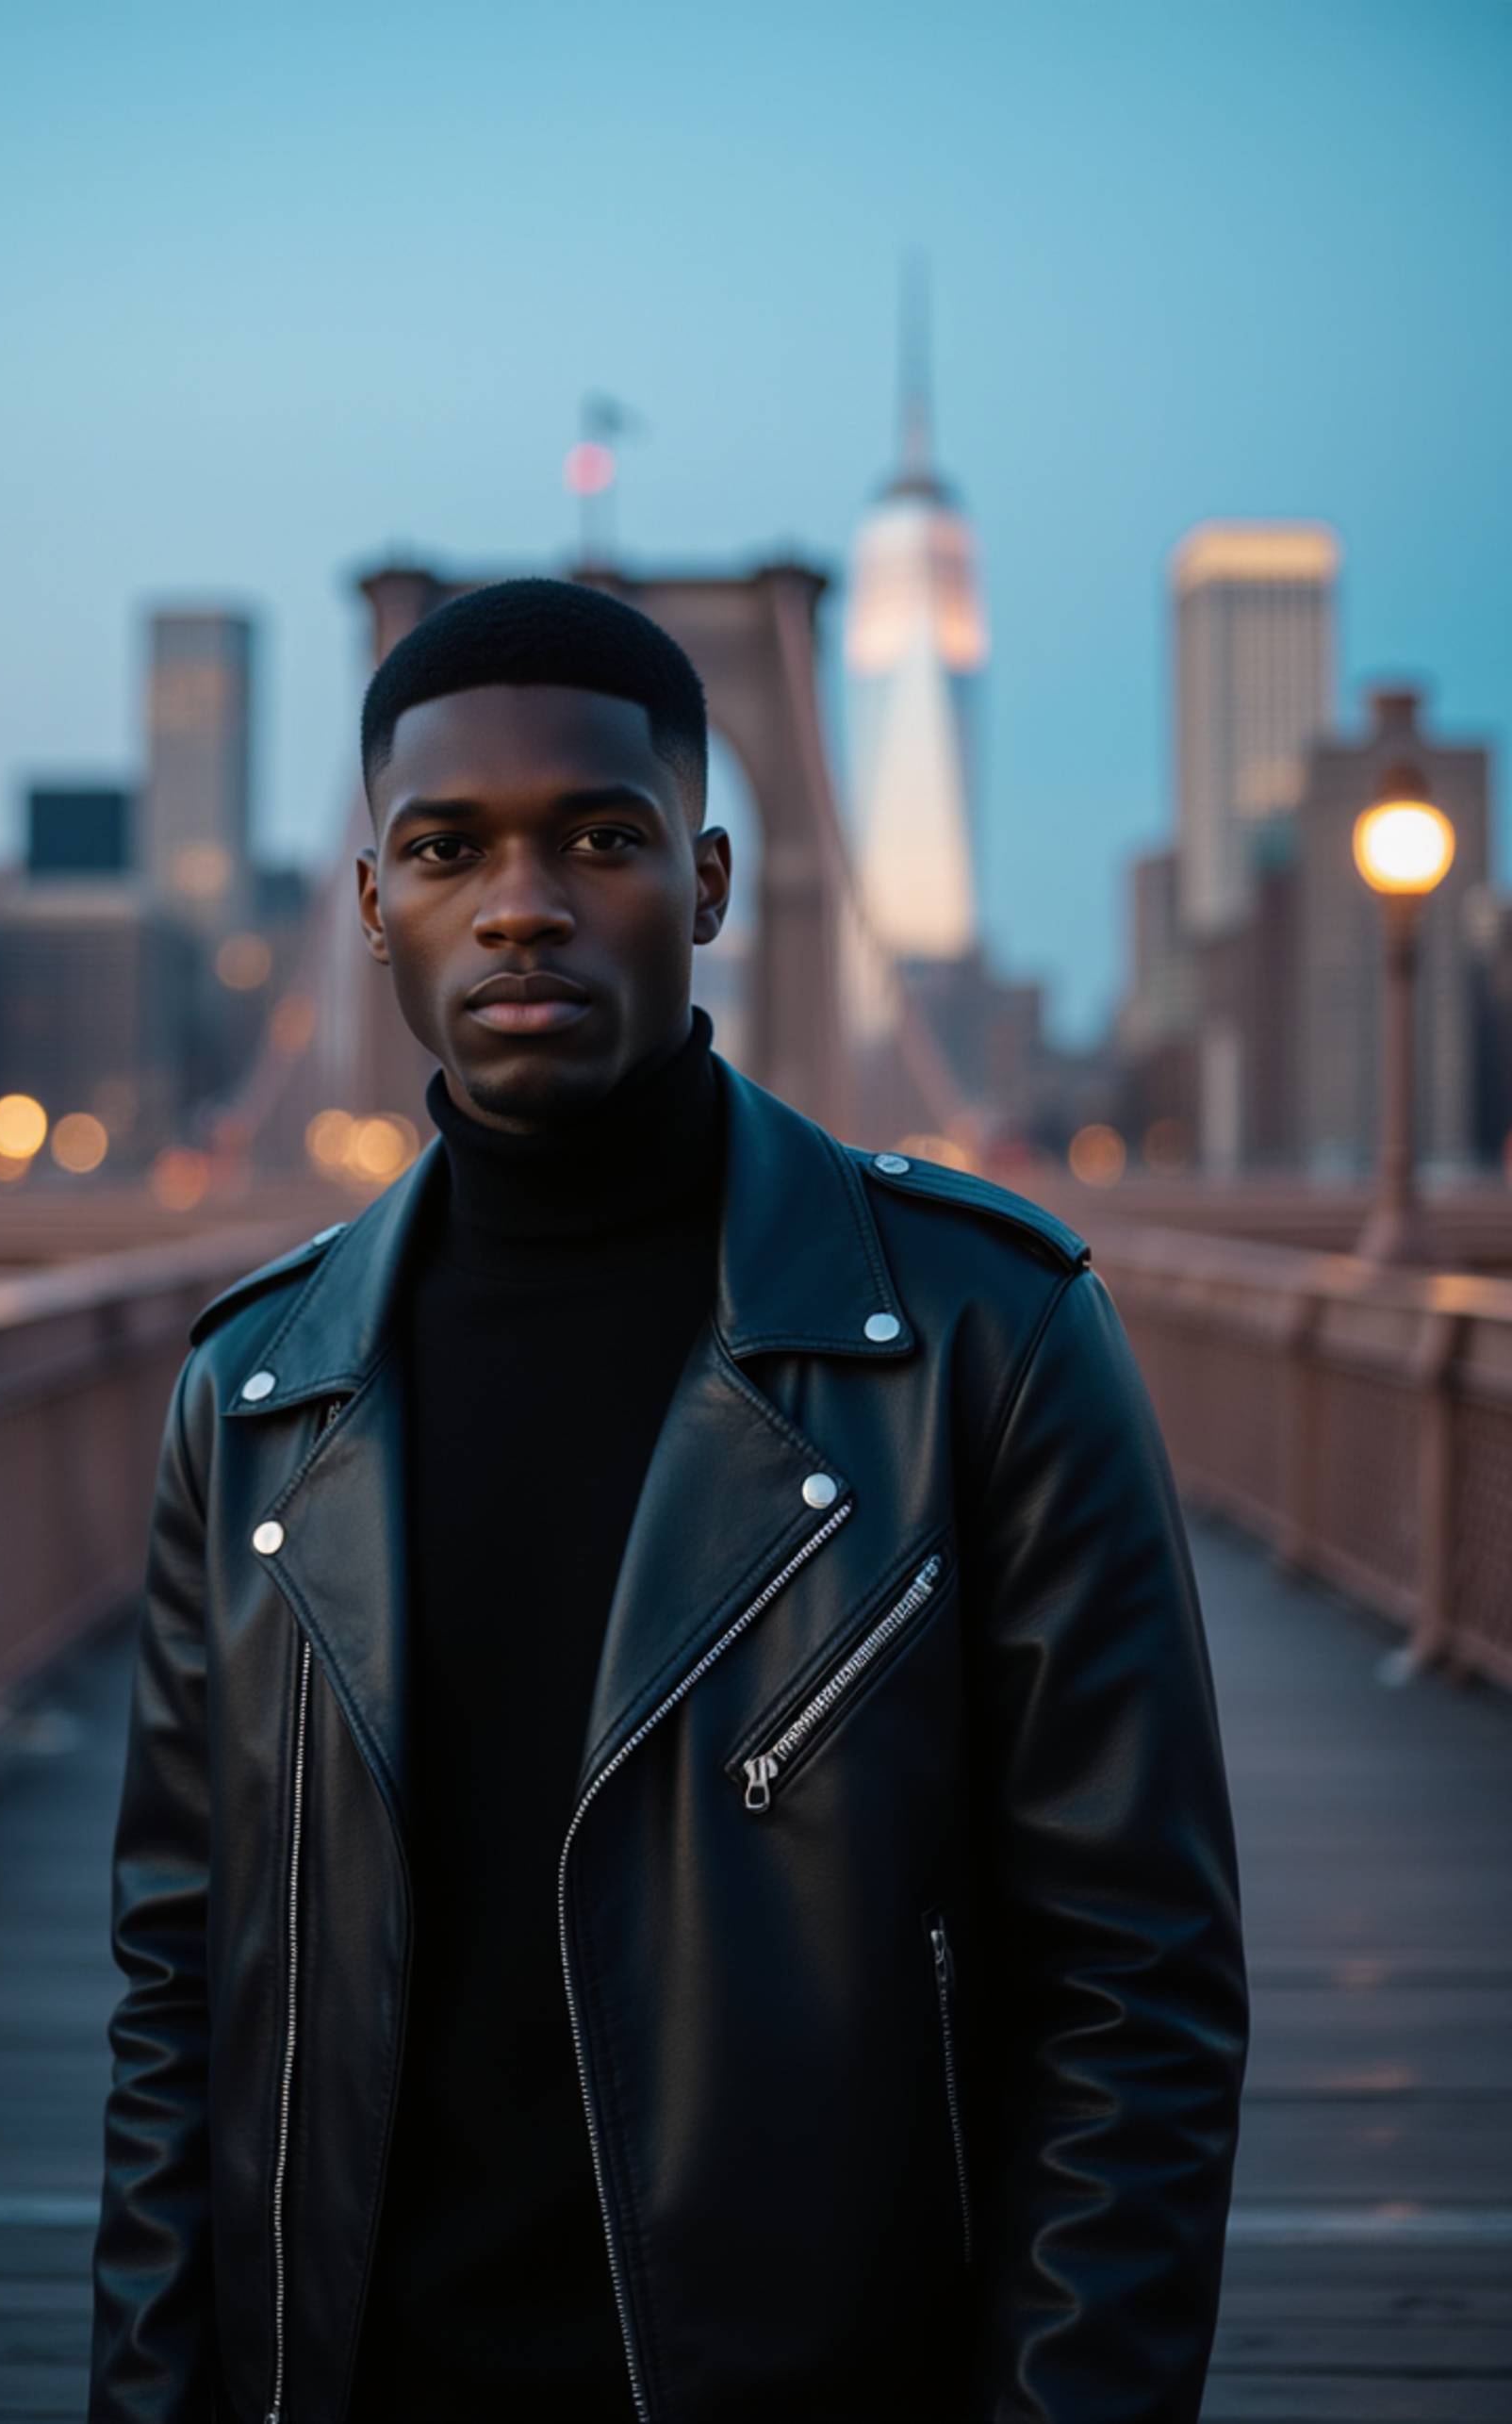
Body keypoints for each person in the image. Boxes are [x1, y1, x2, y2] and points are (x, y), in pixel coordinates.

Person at [88, 578, 1249, 2424]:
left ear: (708, 887)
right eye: (447, 846)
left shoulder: (987, 1335)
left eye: (601, 839)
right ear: (371, 899)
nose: (523, 901)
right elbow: (178, 1994)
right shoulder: (247, 1395)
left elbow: (1137, 1990)